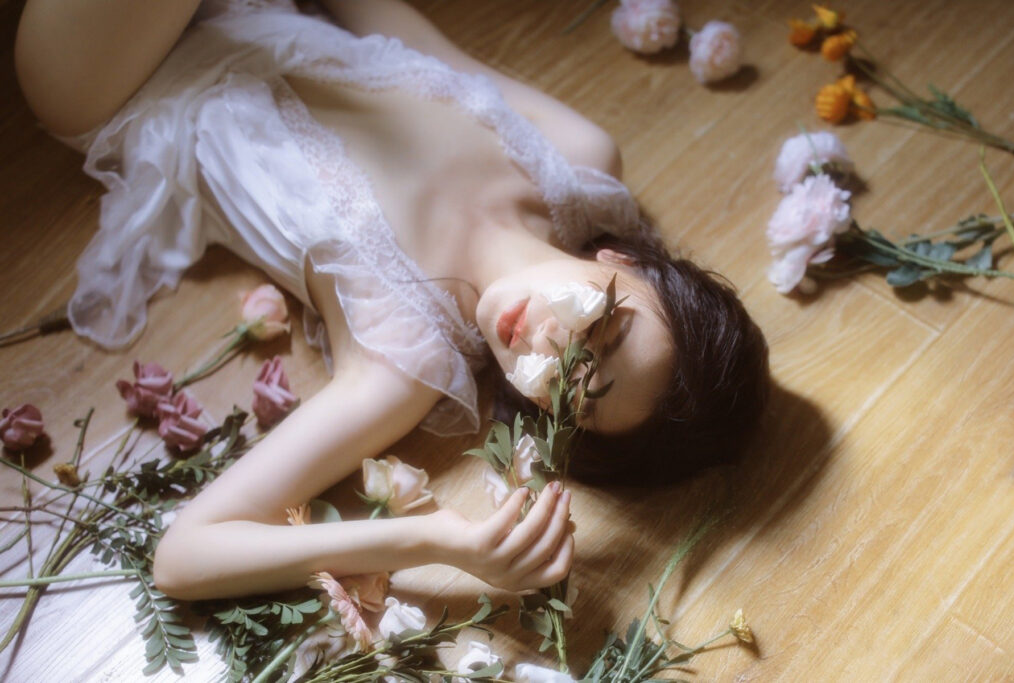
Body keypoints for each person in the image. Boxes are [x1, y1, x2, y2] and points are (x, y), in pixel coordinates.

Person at [14, 0, 770, 601]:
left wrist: (434, 541)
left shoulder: (402, 356)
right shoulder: (577, 158)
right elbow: (395, 24)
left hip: (115, 73)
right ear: (626, 261)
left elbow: (183, 556)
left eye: (568, 391)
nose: (545, 347)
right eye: (600, 326)